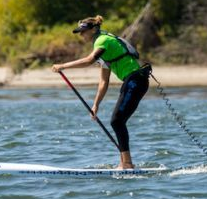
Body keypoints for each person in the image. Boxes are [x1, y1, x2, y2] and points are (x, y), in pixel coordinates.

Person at [52, 15, 150, 169]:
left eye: (83, 31)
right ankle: (124, 163)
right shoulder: (103, 49)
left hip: (135, 81)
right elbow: (104, 81)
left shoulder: (102, 41)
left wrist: (63, 66)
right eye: (80, 32)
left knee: (117, 121)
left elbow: (89, 60)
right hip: (133, 82)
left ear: (94, 29)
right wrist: (95, 105)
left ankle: (127, 164)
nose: (81, 35)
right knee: (118, 121)